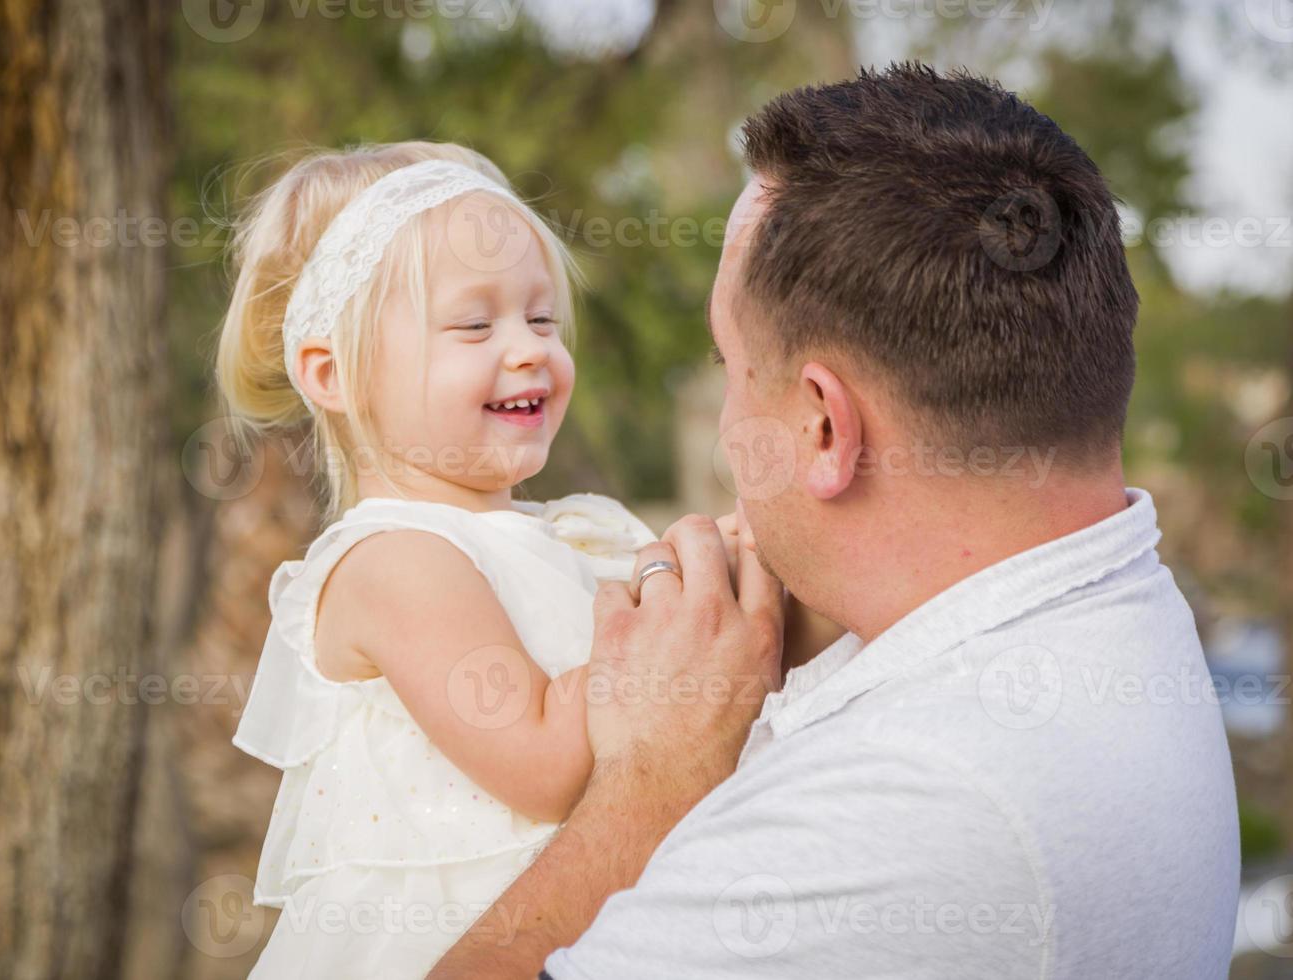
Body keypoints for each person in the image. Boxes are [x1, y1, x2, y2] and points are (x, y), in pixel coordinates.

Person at [430, 64, 1241, 979]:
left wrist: (655, 776)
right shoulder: (1109, 595)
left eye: (733, 367)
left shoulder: (900, 813)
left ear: (822, 426)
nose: (731, 430)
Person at [215, 141, 666, 977]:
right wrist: (668, 609)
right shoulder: (396, 561)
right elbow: (545, 764)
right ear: (333, 372)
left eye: (541, 318)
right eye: (474, 324)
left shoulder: (570, 534)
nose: (529, 349)